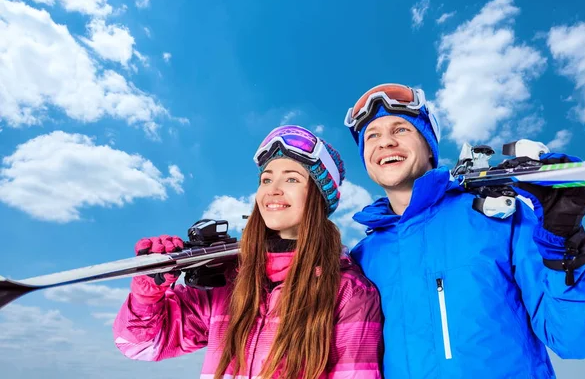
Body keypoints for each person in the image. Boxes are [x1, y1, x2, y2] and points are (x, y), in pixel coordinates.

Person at [343, 83, 585, 378]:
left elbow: (576, 341)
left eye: (401, 130)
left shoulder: (498, 217)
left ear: (430, 148)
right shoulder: (363, 258)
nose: (385, 142)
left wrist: (564, 241)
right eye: (372, 136)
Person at [112, 124, 384, 379]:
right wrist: (147, 292)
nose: (273, 190)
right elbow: (141, 345)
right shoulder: (230, 282)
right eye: (266, 180)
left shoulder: (348, 292)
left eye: (291, 179)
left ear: (318, 197)